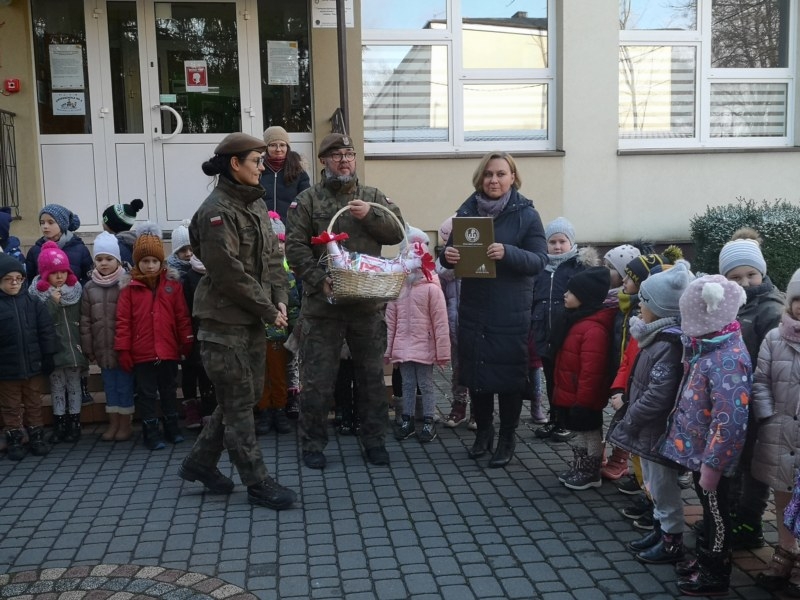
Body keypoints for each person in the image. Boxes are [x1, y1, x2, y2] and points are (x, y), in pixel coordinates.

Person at [179, 132, 297, 511]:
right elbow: (229, 274)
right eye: (256, 161)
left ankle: (200, 463)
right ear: (235, 164)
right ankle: (257, 481)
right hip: (223, 323)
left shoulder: (255, 203)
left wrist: (280, 298)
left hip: (251, 320)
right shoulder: (215, 212)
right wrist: (268, 309)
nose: (263, 167)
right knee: (240, 406)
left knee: (239, 398)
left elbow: (273, 258)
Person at [286, 132, 405, 470]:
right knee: (318, 380)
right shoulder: (308, 200)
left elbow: (397, 232)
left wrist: (371, 216)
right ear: (324, 161)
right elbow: (294, 248)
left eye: (349, 154)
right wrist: (318, 280)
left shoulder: (373, 197)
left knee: (371, 378)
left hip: (367, 306)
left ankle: (374, 441)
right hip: (323, 308)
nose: (344, 161)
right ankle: (312, 443)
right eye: (336, 155)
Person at [439, 151, 547, 468]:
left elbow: (540, 260)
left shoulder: (527, 214)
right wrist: (448, 256)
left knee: (509, 378)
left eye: (500, 174)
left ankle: (507, 438)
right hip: (475, 307)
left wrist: (508, 252)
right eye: (488, 174)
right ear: (480, 178)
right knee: (477, 375)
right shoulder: (468, 210)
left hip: (510, 309)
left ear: (513, 177)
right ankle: (483, 433)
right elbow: (448, 252)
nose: (494, 180)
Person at [661, 274, 751, 597]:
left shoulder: (727, 359)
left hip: (713, 459)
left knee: (716, 513)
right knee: (708, 509)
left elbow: (730, 421)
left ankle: (716, 571)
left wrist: (713, 465)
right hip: (702, 452)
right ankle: (704, 558)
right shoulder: (709, 348)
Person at [607, 260, 693, 564]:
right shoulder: (654, 336)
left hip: (656, 429)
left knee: (664, 488)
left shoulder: (668, 343)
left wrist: (631, 418)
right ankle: (660, 530)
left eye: (644, 301)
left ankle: (672, 541)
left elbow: (658, 394)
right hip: (648, 428)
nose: (639, 305)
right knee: (654, 485)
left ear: (658, 308)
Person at [705, 230, 784, 550]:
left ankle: (750, 522)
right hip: (732, 399)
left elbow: (777, 361)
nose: (745, 282)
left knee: (755, 464)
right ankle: (733, 513)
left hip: (759, 400)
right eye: (735, 277)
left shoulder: (770, 309)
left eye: (751, 274)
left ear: (762, 272)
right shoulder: (727, 305)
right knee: (734, 458)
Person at [115, 226, 194, 450]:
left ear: (161, 262)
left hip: (168, 350)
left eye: (154, 261)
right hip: (142, 353)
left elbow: (181, 316)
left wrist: (186, 340)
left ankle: (172, 427)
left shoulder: (172, 286)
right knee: (147, 394)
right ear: (137, 262)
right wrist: (123, 349)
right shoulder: (129, 290)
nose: (150, 266)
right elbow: (123, 322)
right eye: (145, 261)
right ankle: (150, 432)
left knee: (168, 389)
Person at [749, 267, 800, 592]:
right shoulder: (775, 337)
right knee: (783, 495)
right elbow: (761, 381)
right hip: (780, 432)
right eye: (798, 300)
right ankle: (786, 548)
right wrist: (767, 415)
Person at [531, 217, 599, 441]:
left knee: (567, 380)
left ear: (571, 242)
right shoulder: (540, 267)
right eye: (552, 242)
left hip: (568, 336)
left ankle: (567, 421)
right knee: (551, 378)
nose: (557, 246)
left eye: (562, 241)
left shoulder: (578, 267)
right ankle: (554, 417)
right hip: (544, 334)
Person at [548, 267, 616, 490]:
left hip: (585, 397)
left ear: (585, 297)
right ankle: (580, 466)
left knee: (590, 433)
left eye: (571, 292)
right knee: (579, 432)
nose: (565, 294)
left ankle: (591, 471)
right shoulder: (576, 320)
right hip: (573, 393)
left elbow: (592, 372)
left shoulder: (593, 329)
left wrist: (584, 401)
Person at [386, 226, 451, 444]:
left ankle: (428, 420)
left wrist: (442, 353)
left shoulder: (432, 289)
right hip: (403, 346)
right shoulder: (399, 289)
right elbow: (391, 322)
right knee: (407, 384)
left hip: (424, 346)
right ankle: (407, 419)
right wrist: (389, 350)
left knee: (425, 384)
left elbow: (440, 323)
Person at [28, 241, 88, 444]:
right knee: (57, 388)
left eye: (63, 272)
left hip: (74, 348)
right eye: (54, 273)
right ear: (45, 275)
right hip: (54, 350)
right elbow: (42, 321)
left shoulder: (76, 291)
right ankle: (60, 423)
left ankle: (75, 424)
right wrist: (52, 302)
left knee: (74, 386)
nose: (60, 277)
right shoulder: (37, 296)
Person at [79, 232, 135, 441]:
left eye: (109, 259)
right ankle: (113, 423)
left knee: (124, 386)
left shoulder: (126, 284)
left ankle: (125, 424)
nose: (103, 263)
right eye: (99, 259)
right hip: (102, 348)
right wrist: (89, 348)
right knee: (109, 387)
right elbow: (85, 320)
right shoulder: (89, 287)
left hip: (122, 348)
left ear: (118, 260)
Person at [0, 253, 56, 460]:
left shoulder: (33, 302)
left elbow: (46, 330)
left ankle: (36, 435)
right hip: (7, 369)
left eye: (18, 278)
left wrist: (48, 355)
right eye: (8, 279)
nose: (14, 283)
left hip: (33, 365)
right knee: (11, 406)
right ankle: (14, 437)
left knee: (34, 403)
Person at [254, 212, 299, 436]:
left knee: (279, 375)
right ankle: (264, 410)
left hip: (278, 334)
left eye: (281, 242)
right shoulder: (253, 272)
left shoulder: (285, 274)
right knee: (260, 375)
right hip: (256, 333)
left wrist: (295, 331)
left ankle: (280, 409)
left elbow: (293, 304)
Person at [437, 216, 471, 429]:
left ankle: (478, 410)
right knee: (458, 369)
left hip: (475, 326)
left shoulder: (476, 266)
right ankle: (459, 406)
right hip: (454, 326)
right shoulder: (443, 270)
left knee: (477, 369)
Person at [260, 126, 311, 222]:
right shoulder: (258, 170)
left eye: (282, 145)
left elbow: (306, 201)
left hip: (291, 226)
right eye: (273, 145)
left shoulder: (298, 170)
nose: (278, 149)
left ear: (287, 147)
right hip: (263, 226)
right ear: (266, 147)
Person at [101, 199, 144, 267]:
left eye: (104, 220)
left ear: (113, 226)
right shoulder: (130, 240)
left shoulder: (117, 247)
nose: (102, 223)